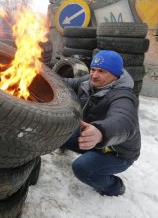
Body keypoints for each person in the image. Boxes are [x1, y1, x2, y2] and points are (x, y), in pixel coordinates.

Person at [60, 50, 140, 196]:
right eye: (93, 69)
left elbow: (124, 121)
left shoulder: (123, 96)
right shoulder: (89, 82)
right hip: (93, 138)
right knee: (58, 131)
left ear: (115, 75)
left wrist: (100, 133)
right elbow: (64, 84)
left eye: (102, 71)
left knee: (82, 168)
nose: (95, 75)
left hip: (116, 152)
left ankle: (115, 187)